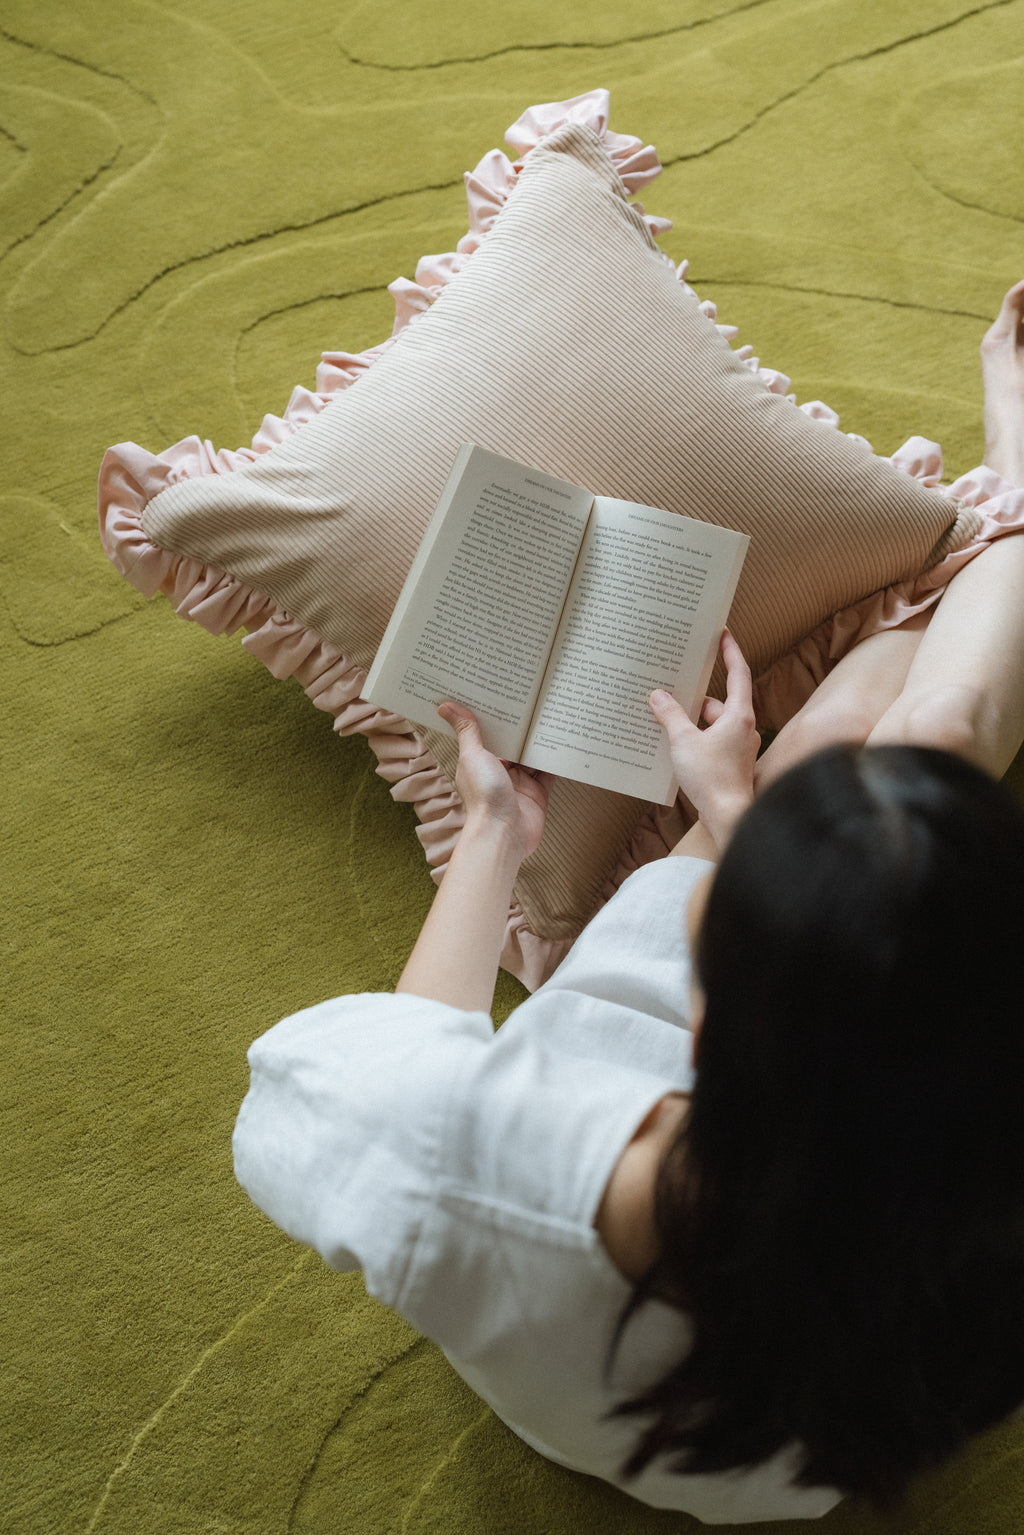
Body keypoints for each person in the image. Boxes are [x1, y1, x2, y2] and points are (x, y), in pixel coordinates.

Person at [233, 282, 1024, 1522]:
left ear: (706, 1014)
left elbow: (391, 1054)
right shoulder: (974, 1189)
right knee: (931, 736)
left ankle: (995, 515)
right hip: (784, 1465)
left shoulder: (444, 1144)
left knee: (854, 748)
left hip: (591, 1370)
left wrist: (494, 833)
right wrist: (734, 813)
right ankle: (1005, 507)